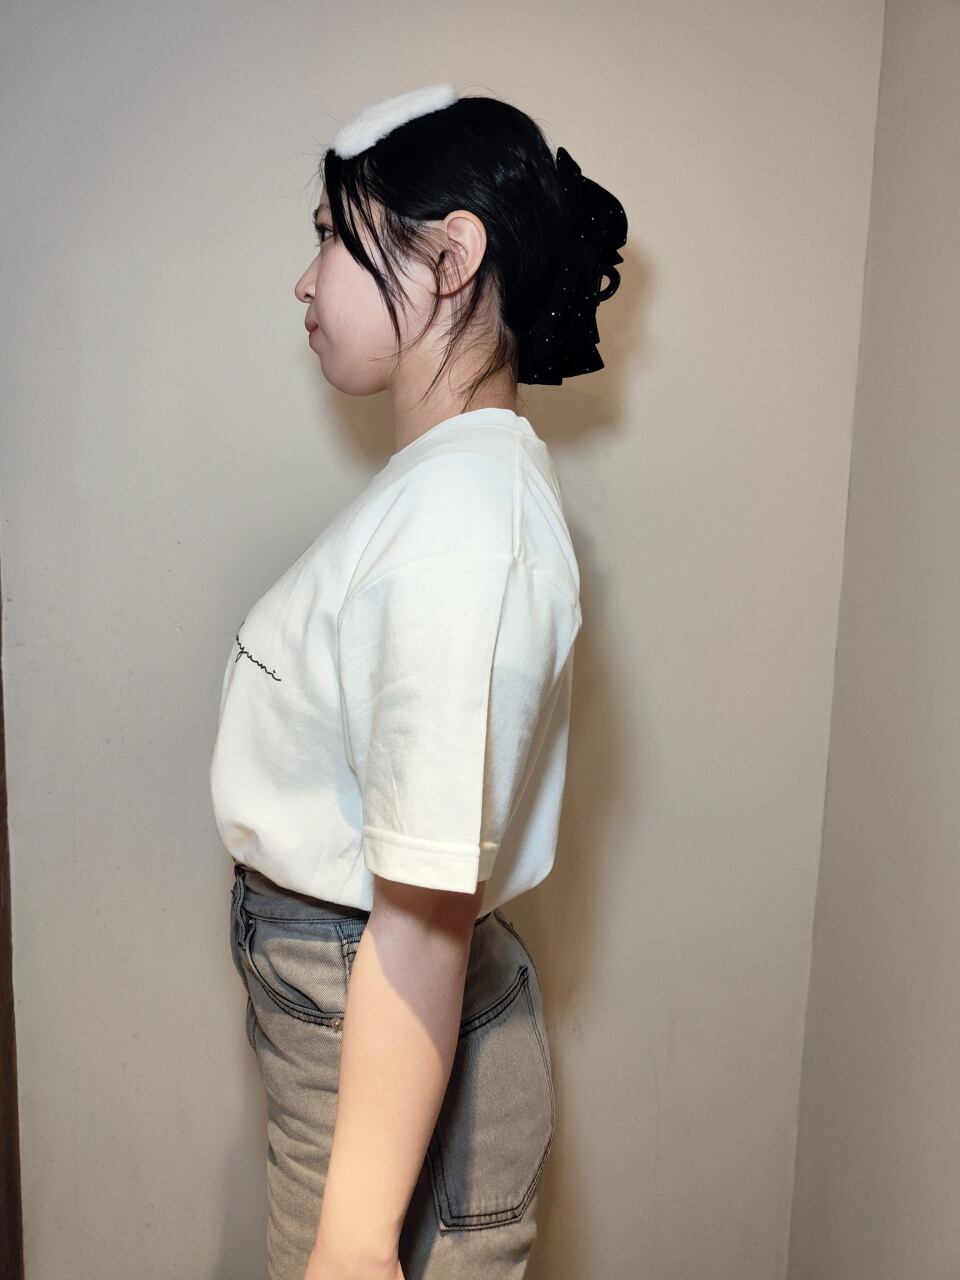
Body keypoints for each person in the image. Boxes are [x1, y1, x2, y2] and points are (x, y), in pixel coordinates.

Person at [208, 82, 627, 1280]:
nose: (307, 281)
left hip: (375, 1005)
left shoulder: (460, 526)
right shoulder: (446, 488)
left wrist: (352, 1242)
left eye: (332, 238)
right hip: (352, 1002)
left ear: (449, 259)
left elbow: (425, 918)